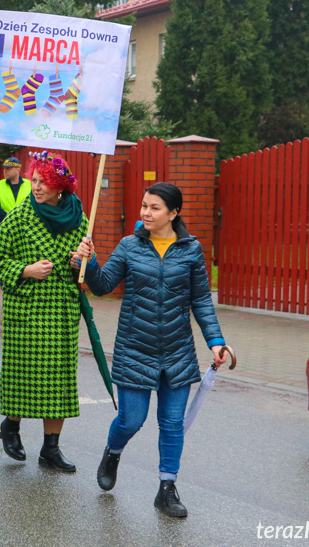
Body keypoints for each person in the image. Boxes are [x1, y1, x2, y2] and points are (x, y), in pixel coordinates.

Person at [72, 181, 228, 518]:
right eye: (144, 205)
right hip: (135, 349)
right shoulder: (130, 245)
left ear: (173, 213)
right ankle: (113, 452)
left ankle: (166, 488)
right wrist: (88, 261)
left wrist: (215, 340)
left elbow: (200, 299)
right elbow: (102, 285)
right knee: (131, 420)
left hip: (177, 351)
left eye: (154, 207)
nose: (146, 212)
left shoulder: (190, 249)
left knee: (172, 424)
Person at [0, 151, 88, 473]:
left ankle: (51, 449)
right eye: (35, 180)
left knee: (59, 382)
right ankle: (11, 427)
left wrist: (83, 260)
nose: (37, 187)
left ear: (60, 186)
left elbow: (83, 271)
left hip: (61, 310)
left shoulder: (80, 218)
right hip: (27, 310)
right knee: (24, 377)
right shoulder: (19, 217)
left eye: (44, 182)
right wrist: (26, 270)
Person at [0, 156, 30, 231]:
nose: (5, 171)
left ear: (18, 169)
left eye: (8, 168)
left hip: (24, 230)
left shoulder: (29, 185)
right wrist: (11, 221)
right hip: (4, 230)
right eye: (4, 168)